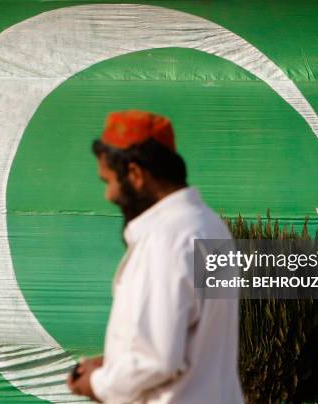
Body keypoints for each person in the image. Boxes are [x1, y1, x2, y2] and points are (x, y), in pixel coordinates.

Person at [67, 110, 244, 403]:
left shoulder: (166, 240)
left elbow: (158, 358)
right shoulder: (208, 224)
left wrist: (98, 384)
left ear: (135, 175)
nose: (108, 195)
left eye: (108, 181)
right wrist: (114, 362)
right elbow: (187, 340)